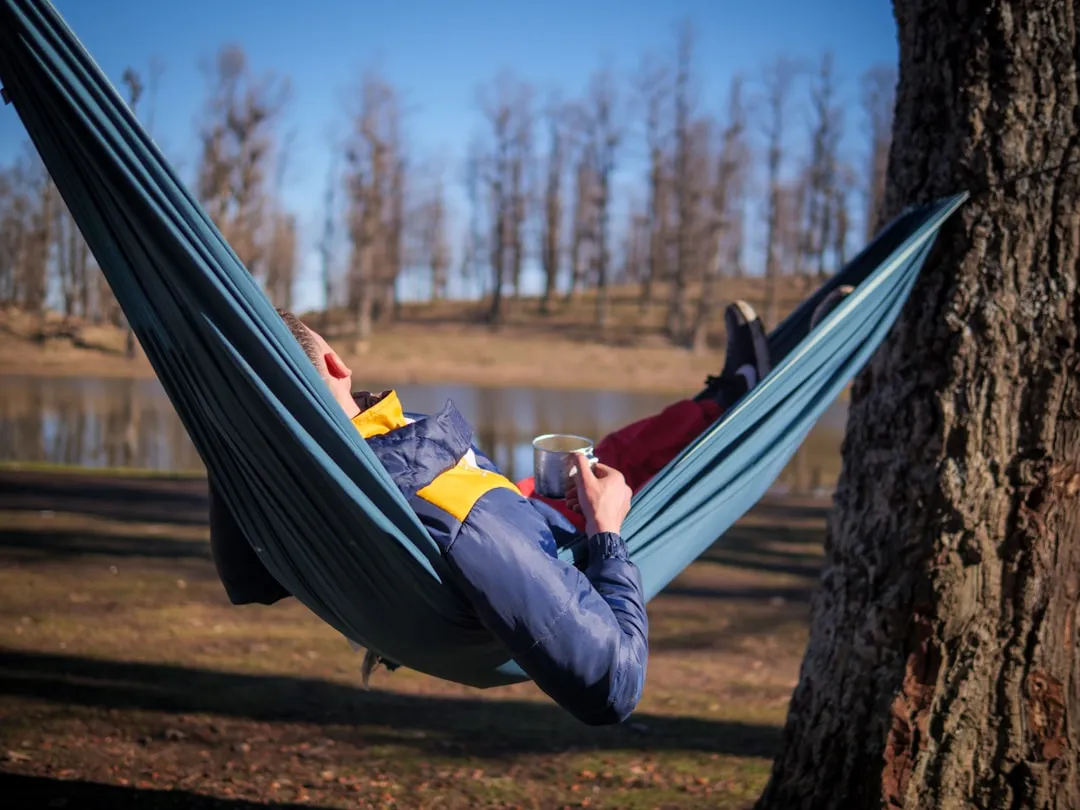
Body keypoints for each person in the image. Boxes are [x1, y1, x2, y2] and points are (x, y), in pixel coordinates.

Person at [208, 289, 849, 725]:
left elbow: (248, 582)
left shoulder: (292, 488)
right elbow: (611, 686)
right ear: (335, 363)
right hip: (539, 552)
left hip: (508, 530)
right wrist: (607, 533)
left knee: (610, 451)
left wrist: (235, 436)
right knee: (630, 468)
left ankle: (728, 391)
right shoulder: (453, 506)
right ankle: (745, 395)